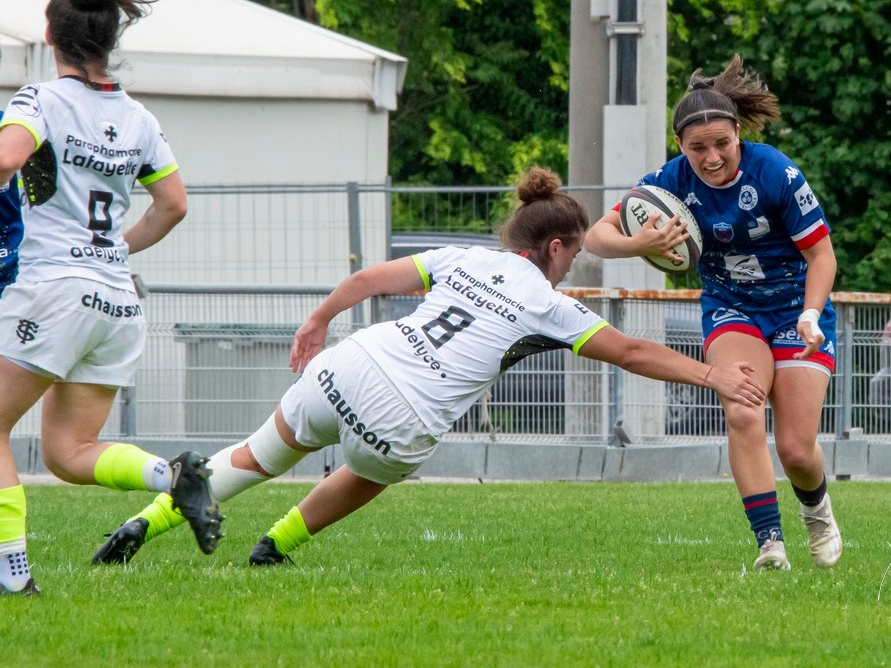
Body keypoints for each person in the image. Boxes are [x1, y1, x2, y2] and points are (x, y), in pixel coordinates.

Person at [92, 167, 762, 566]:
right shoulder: (548, 302)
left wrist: (316, 319)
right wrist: (713, 375)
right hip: (401, 414)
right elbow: (634, 351)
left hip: (347, 363)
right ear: (556, 247)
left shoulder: (463, 257)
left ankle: (141, 524)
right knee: (370, 472)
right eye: (570, 254)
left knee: (255, 453)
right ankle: (276, 542)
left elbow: (370, 280)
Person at [0, 0, 223, 596]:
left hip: (52, 289)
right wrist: (112, 249)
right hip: (115, 297)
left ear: (53, 34)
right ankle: (171, 477)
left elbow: (7, 159)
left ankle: (11, 575)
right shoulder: (139, 119)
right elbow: (173, 204)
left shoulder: (38, 100)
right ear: (109, 38)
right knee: (71, 453)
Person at [583, 56, 841, 572]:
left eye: (721, 144)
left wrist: (812, 313)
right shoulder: (669, 180)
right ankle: (770, 543)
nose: (712, 157)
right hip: (732, 307)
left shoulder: (776, 172)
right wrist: (640, 244)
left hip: (796, 310)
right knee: (742, 405)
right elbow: (595, 237)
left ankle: (817, 512)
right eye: (698, 148)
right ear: (680, 145)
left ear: (738, 134)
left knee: (795, 450)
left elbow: (822, 256)